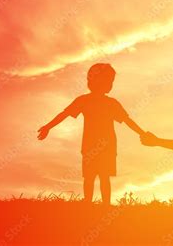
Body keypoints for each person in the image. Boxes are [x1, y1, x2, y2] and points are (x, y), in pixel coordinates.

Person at [37, 63, 145, 205]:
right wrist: (142, 133)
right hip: (100, 145)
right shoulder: (100, 102)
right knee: (99, 177)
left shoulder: (92, 101)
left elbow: (65, 114)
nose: (110, 84)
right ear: (103, 82)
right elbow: (127, 121)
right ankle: (98, 205)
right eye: (109, 81)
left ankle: (92, 204)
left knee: (92, 177)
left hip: (96, 145)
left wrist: (48, 127)